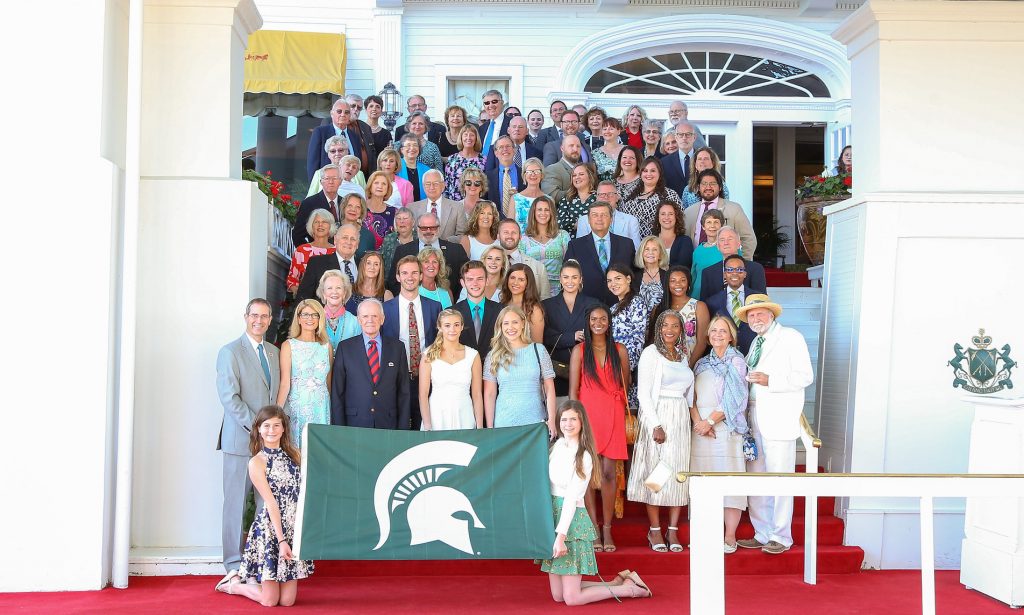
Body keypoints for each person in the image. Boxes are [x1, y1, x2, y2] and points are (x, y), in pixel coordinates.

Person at [539, 400, 652, 605]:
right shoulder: (555, 447)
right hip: (554, 514)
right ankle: (618, 582)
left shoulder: (585, 455)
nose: (568, 424)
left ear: (582, 421)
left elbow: (572, 498)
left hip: (571, 520)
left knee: (571, 598)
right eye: (564, 419)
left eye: (573, 419)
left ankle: (629, 590)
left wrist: (560, 537)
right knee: (558, 596)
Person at [734, 294, 814, 555]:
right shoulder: (757, 342)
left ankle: (781, 535)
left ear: (772, 314)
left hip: (779, 417)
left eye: (760, 313)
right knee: (757, 477)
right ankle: (762, 532)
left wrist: (771, 380)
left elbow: (805, 376)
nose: (756, 319)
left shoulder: (791, 337)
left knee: (780, 477)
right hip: (753, 415)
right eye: (751, 316)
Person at [215, 406, 313, 605]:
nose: (272, 430)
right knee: (270, 601)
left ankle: (249, 583)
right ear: (258, 429)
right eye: (266, 425)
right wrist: (282, 540)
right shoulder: (257, 462)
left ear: (284, 428)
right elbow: (271, 503)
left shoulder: (295, 455)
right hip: (271, 530)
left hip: (292, 525)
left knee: (287, 602)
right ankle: (235, 586)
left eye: (277, 425)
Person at [215, 299, 279, 576]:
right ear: (246, 317)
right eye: (254, 316)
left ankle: (261, 558)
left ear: (270, 319)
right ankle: (232, 563)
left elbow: (276, 397)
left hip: (270, 446)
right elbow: (230, 399)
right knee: (235, 504)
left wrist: (274, 432)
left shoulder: (274, 352)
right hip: (240, 440)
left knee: (266, 503)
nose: (259, 321)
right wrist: (260, 427)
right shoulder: (229, 352)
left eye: (264, 317)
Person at [626, 310, 695, 553]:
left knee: (677, 472)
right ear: (658, 328)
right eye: (665, 325)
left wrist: (691, 419)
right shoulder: (651, 353)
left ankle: (673, 529)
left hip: (680, 418)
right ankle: (655, 529)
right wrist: (655, 424)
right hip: (658, 416)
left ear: (681, 329)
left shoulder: (683, 356)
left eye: (675, 325)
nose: (669, 329)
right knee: (656, 472)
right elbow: (643, 393)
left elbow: (689, 392)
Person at [568, 305, 630, 554]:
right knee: (588, 472)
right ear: (588, 322)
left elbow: (626, 383)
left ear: (609, 322)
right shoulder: (579, 350)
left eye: (603, 318)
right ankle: (593, 527)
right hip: (588, 414)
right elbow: (573, 389)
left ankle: (607, 528)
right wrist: (573, 421)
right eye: (594, 318)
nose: (598, 322)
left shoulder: (619, 350)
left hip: (612, 412)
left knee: (607, 472)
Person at [691, 315, 752, 553]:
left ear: (731, 336)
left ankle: (729, 535)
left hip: (724, 427)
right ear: (707, 335)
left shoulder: (736, 361)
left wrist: (709, 422)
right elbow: (690, 396)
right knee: (703, 481)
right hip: (701, 430)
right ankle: (705, 532)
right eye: (714, 330)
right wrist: (698, 422)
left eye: (723, 331)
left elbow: (735, 398)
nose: (718, 335)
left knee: (729, 480)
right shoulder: (700, 364)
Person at [330, 298, 410, 429]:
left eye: (375, 316)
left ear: (382, 319)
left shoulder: (397, 348)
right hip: (355, 424)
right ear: (359, 320)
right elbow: (338, 393)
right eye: (365, 316)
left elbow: (403, 392)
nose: (370, 320)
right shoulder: (345, 348)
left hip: (388, 424)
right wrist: (339, 430)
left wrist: (403, 428)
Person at [383, 256, 443, 429]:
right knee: (398, 428)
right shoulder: (385, 310)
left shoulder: (435, 307)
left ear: (421, 276)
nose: (410, 277)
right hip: (396, 379)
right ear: (397, 277)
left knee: (424, 428)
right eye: (405, 273)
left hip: (427, 378)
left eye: (414, 272)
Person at [482, 305, 556, 435]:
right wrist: (489, 428)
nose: (510, 327)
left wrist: (552, 420)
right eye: (506, 323)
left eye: (515, 322)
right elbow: (489, 394)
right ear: (500, 327)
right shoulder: (493, 356)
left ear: (523, 323)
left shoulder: (539, 350)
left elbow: (549, 388)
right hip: (504, 423)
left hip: (536, 423)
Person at [275, 299, 332, 449]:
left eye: (314, 315)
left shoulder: (326, 346)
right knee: (297, 452)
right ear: (298, 318)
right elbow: (285, 383)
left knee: (320, 452)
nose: (310, 319)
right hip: (298, 408)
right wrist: (277, 414)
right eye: (305, 314)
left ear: (320, 318)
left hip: (322, 408)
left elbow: (329, 383)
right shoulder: (288, 346)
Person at [543, 260, 601, 402]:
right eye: (566, 277)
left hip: (586, 367)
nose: (570, 281)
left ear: (581, 279)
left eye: (574, 277)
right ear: (560, 279)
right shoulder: (546, 305)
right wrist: (571, 337)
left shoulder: (593, 303)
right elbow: (545, 336)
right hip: (557, 369)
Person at [419, 308, 483, 430]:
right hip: (436, 415)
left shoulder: (473, 355)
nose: (452, 329)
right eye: (447, 325)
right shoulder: (428, 355)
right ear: (440, 327)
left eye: (456, 325)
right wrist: (427, 425)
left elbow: (477, 394)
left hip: (464, 414)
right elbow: (423, 394)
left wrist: (479, 426)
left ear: (462, 327)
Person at [563, 201, 635, 307]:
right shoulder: (575, 246)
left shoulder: (626, 244)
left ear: (611, 219)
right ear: (588, 220)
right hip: (587, 307)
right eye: (595, 215)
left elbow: (633, 275)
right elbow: (568, 276)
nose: (599, 219)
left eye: (604, 215)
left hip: (621, 306)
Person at [607, 263, 659, 409]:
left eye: (618, 278)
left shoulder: (637, 303)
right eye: (609, 280)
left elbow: (637, 340)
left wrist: (625, 369)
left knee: (630, 418)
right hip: (613, 367)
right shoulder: (613, 308)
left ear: (628, 279)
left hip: (627, 370)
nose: (613, 284)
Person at [388, 211, 469, 300]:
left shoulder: (456, 250)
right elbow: (393, 282)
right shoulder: (402, 251)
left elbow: (467, 278)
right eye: (424, 228)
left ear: (438, 229)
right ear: (418, 229)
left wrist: (456, 302)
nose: (428, 231)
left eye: (432, 228)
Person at [683, 169, 757, 259]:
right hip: (697, 264)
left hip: (724, 266)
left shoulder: (734, 209)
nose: (708, 187)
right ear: (698, 187)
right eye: (704, 183)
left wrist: (742, 263)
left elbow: (748, 239)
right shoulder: (689, 212)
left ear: (720, 187)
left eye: (713, 183)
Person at [648, 266, 710, 368]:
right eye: (673, 281)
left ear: (688, 283)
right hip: (663, 365)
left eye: (682, 280)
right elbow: (654, 340)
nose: (678, 284)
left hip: (690, 364)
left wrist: (689, 366)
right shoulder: (658, 309)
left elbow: (702, 342)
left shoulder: (699, 306)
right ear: (667, 284)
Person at [704, 254, 763, 354]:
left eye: (739, 269)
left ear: (745, 273)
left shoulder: (758, 298)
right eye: (730, 270)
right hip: (723, 358)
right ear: (724, 274)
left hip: (753, 354)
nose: (734, 273)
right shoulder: (712, 302)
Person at [306, 98, 377, 181]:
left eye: (346, 112)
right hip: (328, 185)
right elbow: (312, 164)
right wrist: (316, 186)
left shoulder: (354, 136)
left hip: (352, 186)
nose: (343, 115)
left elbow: (357, 164)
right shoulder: (320, 132)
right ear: (332, 114)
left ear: (349, 115)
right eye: (339, 111)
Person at [698, 226, 767, 302]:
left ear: (739, 243)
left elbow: (761, 300)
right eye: (722, 240)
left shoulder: (755, 269)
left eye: (730, 239)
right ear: (717, 246)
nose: (726, 243)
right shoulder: (708, 272)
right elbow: (705, 304)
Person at [296, 224, 362, 303]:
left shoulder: (364, 266)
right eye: (345, 237)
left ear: (357, 244)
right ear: (335, 240)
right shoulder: (316, 264)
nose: (348, 242)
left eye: (353, 239)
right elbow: (303, 298)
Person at [520, 195, 571, 296]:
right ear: (533, 213)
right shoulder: (523, 239)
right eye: (539, 209)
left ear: (552, 213)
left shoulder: (562, 235)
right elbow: (521, 268)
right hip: (532, 291)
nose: (543, 213)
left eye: (546, 210)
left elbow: (570, 263)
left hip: (558, 291)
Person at [620, 156, 683, 239]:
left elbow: (679, 221)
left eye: (653, 171)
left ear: (659, 173)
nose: (648, 174)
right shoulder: (629, 195)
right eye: (645, 171)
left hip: (659, 246)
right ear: (641, 174)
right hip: (632, 246)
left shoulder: (670, 195)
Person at [576, 180, 642, 250]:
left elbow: (636, 250)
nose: (606, 197)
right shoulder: (584, 221)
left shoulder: (631, 221)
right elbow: (581, 249)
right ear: (597, 198)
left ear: (617, 197)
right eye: (602, 194)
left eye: (610, 194)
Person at [497, 217, 552, 299]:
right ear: (498, 236)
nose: (510, 236)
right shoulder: (487, 265)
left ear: (520, 237)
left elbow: (545, 301)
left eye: (514, 233)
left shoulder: (538, 267)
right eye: (505, 232)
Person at [454, 260, 501, 352]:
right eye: (470, 279)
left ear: (487, 281)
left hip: (493, 364)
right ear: (462, 283)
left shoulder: (500, 311)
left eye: (480, 279)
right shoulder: (452, 312)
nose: (475, 283)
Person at [286, 208, 336, 295]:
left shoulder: (337, 251)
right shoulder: (301, 251)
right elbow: (292, 279)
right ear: (311, 226)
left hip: (332, 299)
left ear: (330, 226)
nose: (320, 225)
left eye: (324, 222)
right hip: (307, 301)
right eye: (316, 222)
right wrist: (301, 296)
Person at [293, 164, 344, 249]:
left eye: (334, 178)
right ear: (321, 181)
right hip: (317, 256)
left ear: (341, 181)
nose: (331, 182)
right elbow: (297, 235)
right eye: (327, 178)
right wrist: (310, 253)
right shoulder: (309, 203)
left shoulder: (345, 203)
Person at [409, 169, 468, 239]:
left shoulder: (457, 207)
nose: (432, 187)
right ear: (423, 187)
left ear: (443, 186)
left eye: (435, 184)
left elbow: (463, 235)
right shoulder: (412, 208)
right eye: (428, 184)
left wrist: (446, 243)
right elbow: (410, 235)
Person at [316, 270, 362, 349]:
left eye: (338, 288)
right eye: (329, 288)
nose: (334, 292)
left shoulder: (355, 322)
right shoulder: (314, 319)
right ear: (323, 294)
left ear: (344, 293)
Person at [501, 263, 545, 343]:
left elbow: (537, 344)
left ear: (528, 283)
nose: (515, 283)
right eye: (512, 278)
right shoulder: (502, 304)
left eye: (521, 279)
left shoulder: (534, 310)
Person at [484, 135, 525, 218]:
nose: (505, 149)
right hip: (494, 224)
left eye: (508, 146)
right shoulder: (487, 177)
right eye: (501, 147)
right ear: (495, 153)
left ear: (514, 150)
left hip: (520, 222)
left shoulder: (524, 174)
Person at [690, 209, 725, 301]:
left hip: (720, 296)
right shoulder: (698, 250)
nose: (712, 226)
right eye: (708, 222)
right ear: (703, 227)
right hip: (698, 296)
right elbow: (693, 276)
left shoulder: (729, 247)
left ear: (722, 226)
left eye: (716, 222)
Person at [443, 124, 485, 201]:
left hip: (476, 205)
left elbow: (485, 186)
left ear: (476, 138)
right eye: (465, 135)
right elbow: (447, 185)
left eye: (472, 135)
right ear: (461, 138)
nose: (468, 138)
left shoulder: (483, 160)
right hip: (454, 204)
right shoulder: (452, 159)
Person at [556, 163, 597, 236]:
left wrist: (580, 224)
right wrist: (578, 224)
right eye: (574, 175)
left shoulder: (598, 198)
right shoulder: (567, 199)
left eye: (581, 174)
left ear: (590, 176)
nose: (577, 177)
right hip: (571, 243)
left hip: (593, 241)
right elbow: (560, 223)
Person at [541, 134, 583, 204]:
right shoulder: (552, 169)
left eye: (578, 146)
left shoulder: (585, 170)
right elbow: (552, 196)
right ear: (562, 148)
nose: (575, 149)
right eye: (571, 146)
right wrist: (581, 193)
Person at [662, 121, 699, 197]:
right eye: (680, 134)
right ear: (676, 137)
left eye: (688, 134)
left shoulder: (702, 159)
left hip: (698, 206)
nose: (684, 138)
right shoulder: (664, 162)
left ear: (694, 137)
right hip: (673, 206)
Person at [510, 157, 547, 233]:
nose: (533, 174)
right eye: (529, 172)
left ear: (542, 174)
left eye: (536, 171)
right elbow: (509, 225)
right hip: (520, 242)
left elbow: (551, 226)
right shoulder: (515, 199)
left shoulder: (549, 199)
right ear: (524, 175)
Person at [340, 192, 381, 257]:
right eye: (350, 205)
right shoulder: (333, 230)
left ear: (362, 212)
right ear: (344, 208)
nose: (353, 209)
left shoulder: (368, 236)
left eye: (358, 207)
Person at [655, 200, 694, 269]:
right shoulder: (651, 240)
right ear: (658, 217)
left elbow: (682, 266)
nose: (666, 217)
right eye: (663, 214)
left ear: (676, 217)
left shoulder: (685, 241)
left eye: (670, 214)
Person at [632, 235, 669, 306]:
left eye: (655, 249)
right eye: (647, 249)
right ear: (641, 253)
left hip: (662, 316)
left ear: (660, 254)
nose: (650, 252)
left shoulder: (668, 275)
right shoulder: (634, 276)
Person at [476, 89, 513, 159]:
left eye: (494, 101)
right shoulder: (482, 128)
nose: (491, 105)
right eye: (487, 103)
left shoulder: (512, 124)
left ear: (502, 103)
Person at [380, 207, 416, 276]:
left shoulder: (419, 239)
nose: (402, 221)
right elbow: (382, 263)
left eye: (405, 218)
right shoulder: (388, 239)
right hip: (391, 283)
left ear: (413, 222)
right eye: (398, 219)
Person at [397, 133, 431, 203]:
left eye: (415, 145)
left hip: (421, 209)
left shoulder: (427, 170)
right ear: (401, 150)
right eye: (408, 145)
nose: (412, 148)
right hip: (400, 209)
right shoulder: (395, 168)